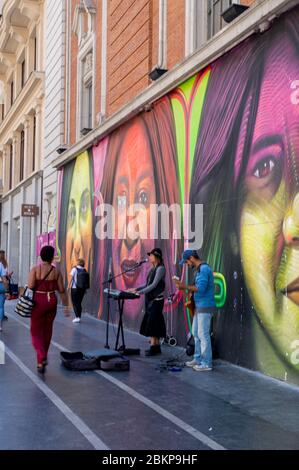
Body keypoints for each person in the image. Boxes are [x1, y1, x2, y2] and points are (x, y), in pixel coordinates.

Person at [189, 7, 299, 381]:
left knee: (200, 336)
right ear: (232, 231)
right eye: (265, 168)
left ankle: (202, 360)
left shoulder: (201, 272)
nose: (295, 224)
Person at [28, 245, 70, 373]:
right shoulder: (56, 272)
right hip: (52, 300)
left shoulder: (35, 269)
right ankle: (40, 363)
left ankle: (42, 356)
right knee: (47, 331)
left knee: (35, 332)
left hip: (38, 301)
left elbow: (30, 285)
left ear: (41, 256)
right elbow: (62, 290)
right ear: (52, 257)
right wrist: (66, 306)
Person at [175, 250, 216, 371]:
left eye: (187, 262)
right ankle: (198, 358)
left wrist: (184, 287)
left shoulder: (203, 269)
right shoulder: (199, 269)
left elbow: (201, 288)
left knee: (203, 334)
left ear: (192, 258)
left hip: (205, 306)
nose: (187, 264)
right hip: (199, 306)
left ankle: (207, 363)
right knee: (196, 333)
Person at [131, 248, 166, 356]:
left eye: (151, 255)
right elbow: (147, 285)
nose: (149, 257)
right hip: (151, 300)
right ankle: (155, 347)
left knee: (154, 323)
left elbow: (154, 285)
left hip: (157, 300)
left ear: (156, 257)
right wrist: (136, 289)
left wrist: (140, 292)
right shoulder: (152, 269)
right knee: (153, 322)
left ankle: (154, 347)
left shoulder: (160, 269)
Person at [68, 258, 88, 323]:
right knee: (79, 303)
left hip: (74, 288)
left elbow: (71, 278)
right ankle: (79, 316)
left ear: (78, 262)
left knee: (74, 303)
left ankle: (77, 317)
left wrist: (68, 286)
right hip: (82, 289)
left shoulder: (74, 269)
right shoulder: (84, 270)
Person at [0, 250, 13, 321]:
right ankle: (0, 325)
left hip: (3, 283)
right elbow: (5, 276)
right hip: (2, 285)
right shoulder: (4, 264)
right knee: (1, 305)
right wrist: (7, 291)